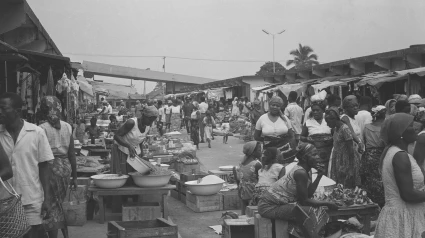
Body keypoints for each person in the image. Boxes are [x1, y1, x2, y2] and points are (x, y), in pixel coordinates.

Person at [0, 92, 53, 238]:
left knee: (32, 235)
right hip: (5, 201)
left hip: (31, 198)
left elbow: (44, 167)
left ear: (17, 111)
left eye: (4, 108)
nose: (0, 112)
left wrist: (47, 199)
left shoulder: (36, 133)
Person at [258, 143, 338, 238]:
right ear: (304, 158)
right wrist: (327, 203)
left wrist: (319, 176)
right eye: (314, 154)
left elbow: (308, 195)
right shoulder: (300, 173)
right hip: (268, 207)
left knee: (313, 209)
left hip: (279, 204)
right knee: (307, 211)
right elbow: (304, 201)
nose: (317, 157)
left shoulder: (307, 170)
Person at [374, 113, 425, 237]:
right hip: (402, 217)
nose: (415, 128)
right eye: (411, 126)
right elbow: (408, 194)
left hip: (404, 215)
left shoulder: (397, 153)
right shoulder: (399, 156)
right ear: (400, 133)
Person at [39, 96, 78, 238]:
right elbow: (72, 154)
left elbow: (39, 155)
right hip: (65, 168)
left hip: (50, 168)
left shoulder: (41, 128)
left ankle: (54, 235)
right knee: (58, 202)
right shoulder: (67, 126)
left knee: (52, 204)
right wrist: (74, 176)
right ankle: (64, 232)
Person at [254, 96, 297, 165]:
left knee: (283, 170)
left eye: (278, 106)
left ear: (280, 107)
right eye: (273, 105)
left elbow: (291, 135)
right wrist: (268, 140)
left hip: (285, 151)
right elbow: (256, 136)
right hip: (268, 151)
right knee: (269, 170)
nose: (275, 107)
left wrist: (293, 148)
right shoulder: (262, 118)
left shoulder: (285, 118)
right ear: (269, 105)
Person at [359, 105, 386, 207]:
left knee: (370, 180)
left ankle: (371, 203)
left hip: (369, 156)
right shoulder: (386, 127)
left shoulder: (367, 127)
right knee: (382, 179)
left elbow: (364, 142)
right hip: (382, 154)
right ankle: (381, 202)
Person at [325, 107, 359, 188]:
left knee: (346, 185)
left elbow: (351, 150)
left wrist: (351, 169)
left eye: (328, 122)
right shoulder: (336, 129)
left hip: (346, 161)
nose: (327, 124)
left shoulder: (345, 129)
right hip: (338, 159)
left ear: (334, 119)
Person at [300, 97, 332, 172]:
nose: (315, 112)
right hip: (315, 154)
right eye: (313, 110)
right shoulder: (308, 122)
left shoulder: (328, 121)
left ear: (323, 111)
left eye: (317, 110)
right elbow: (301, 137)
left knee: (328, 171)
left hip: (328, 154)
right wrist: (307, 139)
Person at [234, 141, 262, 215]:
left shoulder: (242, 162)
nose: (261, 152)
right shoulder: (257, 164)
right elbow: (261, 180)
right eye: (259, 150)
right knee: (253, 213)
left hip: (242, 191)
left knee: (244, 212)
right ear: (253, 152)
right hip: (252, 192)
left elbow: (238, 177)